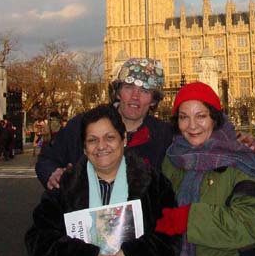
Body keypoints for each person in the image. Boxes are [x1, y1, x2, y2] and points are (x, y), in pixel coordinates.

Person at [26, 104, 180, 256]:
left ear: (123, 139)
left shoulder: (154, 184)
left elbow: (171, 238)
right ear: (84, 147)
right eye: (92, 140)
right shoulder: (65, 186)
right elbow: (39, 239)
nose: (101, 146)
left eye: (109, 137)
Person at [156, 82, 255, 256]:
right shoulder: (172, 159)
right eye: (184, 117)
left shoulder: (240, 160)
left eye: (201, 116)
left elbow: (252, 225)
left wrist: (190, 219)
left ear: (214, 118)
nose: (192, 125)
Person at [36, 58, 173, 189]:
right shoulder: (82, 125)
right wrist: (52, 174)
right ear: (118, 92)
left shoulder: (164, 136)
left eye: (145, 91)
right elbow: (47, 159)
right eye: (129, 87)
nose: (135, 97)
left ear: (154, 100)